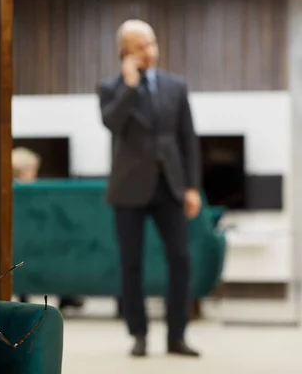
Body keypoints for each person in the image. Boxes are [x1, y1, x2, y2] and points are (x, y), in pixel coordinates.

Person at [96, 19, 202, 358]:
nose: (150, 51)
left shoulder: (176, 85)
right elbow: (111, 123)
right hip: (129, 188)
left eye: (152, 43)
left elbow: (188, 139)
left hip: (170, 186)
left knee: (181, 258)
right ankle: (138, 334)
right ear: (125, 52)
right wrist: (128, 85)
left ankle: (177, 335)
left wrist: (192, 187)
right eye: (141, 46)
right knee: (131, 263)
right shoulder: (111, 87)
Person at [11, 147, 84, 311]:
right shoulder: (37, 195)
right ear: (23, 171)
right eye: (33, 170)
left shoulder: (5, 192)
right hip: (39, 246)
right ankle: (67, 296)